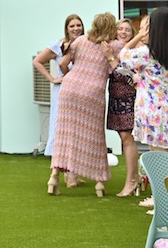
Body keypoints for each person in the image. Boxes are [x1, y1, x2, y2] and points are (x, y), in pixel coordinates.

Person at [49, 12, 121, 197]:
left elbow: (63, 63)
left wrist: (69, 76)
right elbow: (118, 68)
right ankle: (99, 184)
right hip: (93, 93)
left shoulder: (80, 41)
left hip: (69, 89)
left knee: (64, 134)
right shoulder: (113, 46)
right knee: (95, 137)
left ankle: (54, 178)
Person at [120, 8, 168, 159]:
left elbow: (123, 56)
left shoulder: (146, 53)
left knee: (161, 157)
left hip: (153, 110)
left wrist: (140, 35)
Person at [32, 14, 83, 158]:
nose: (76, 29)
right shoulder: (59, 45)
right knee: (60, 123)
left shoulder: (86, 43)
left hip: (81, 89)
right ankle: (58, 159)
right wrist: (52, 79)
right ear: (66, 29)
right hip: (63, 89)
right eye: (72, 26)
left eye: (78, 25)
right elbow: (37, 61)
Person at [108, 19, 140, 196]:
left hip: (129, 98)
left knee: (127, 137)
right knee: (124, 137)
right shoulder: (112, 48)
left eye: (127, 30)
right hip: (115, 97)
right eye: (120, 29)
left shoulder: (135, 51)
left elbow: (130, 77)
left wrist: (112, 61)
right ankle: (136, 177)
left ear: (133, 33)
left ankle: (132, 181)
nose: (123, 32)